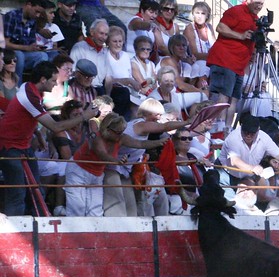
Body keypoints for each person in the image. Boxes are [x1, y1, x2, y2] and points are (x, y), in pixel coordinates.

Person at [0, 61, 98, 216]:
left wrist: (37, 134)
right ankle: (17, 231)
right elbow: (55, 127)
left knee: (35, 188)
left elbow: (23, 116)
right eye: (53, 80)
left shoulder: (29, 88)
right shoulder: (30, 97)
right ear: (43, 80)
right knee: (17, 193)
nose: (55, 84)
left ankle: (38, 223)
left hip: (22, 145)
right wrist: (84, 116)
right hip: (10, 147)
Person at [65, 112, 168, 217]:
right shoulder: (97, 137)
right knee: (77, 208)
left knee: (95, 210)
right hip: (78, 172)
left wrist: (159, 142)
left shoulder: (120, 137)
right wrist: (117, 162)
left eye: (122, 131)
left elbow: (140, 144)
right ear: (108, 130)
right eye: (118, 132)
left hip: (97, 175)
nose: (121, 134)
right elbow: (102, 154)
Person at [103, 98, 188, 217]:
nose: (159, 117)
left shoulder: (140, 128)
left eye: (160, 114)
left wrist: (158, 143)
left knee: (131, 208)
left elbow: (141, 144)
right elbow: (165, 126)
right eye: (156, 114)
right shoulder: (142, 125)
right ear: (146, 113)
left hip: (127, 170)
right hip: (111, 167)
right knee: (118, 204)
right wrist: (186, 122)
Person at [206, 0, 265, 130]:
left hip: (239, 65)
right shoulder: (236, 11)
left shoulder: (255, 18)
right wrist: (240, 35)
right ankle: (219, 128)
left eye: (261, 3)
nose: (259, 6)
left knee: (234, 99)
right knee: (223, 96)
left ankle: (227, 129)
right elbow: (220, 27)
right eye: (257, 2)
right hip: (225, 59)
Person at [217, 114, 279, 200]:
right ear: (241, 127)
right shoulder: (233, 138)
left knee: (247, 203)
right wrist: (252, 168)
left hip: (246, 177)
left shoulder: (264, 138)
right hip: (226, 175)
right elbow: (234, 161)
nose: (248, 135)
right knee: (230, 204)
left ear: (258, 130)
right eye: (245, 132)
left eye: (252, 133)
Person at [4, 0, 51, 84]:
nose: (37, 15)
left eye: (40, 13)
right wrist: (26, 48)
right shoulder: (11, 16)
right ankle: (17, 86)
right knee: (19, 55)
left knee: (43, 56)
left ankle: (36, 86)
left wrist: (35, 48)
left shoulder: (32, 21)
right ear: (28, 4)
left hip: (25, 53)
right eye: (36, 11)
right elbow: (5, 43)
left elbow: (31, 43)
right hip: (9, 52)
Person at [104, 26, 140, 119]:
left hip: (129, 92)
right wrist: (128, 81)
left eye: (120, 41)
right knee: (124, 94)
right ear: (108, 42)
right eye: (114, 41)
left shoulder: (125, 56)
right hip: (113, 91)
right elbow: (108, 80)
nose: (118, 44)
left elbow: (129, 76)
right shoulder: (104, 55)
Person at [70, 18, 109, 95]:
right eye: (101, 33)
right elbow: (73, 73)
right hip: (82, 89)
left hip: (99, 89)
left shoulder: (105, 52)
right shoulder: (79, 48)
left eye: (106, 34)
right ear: (92, 32)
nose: (103, 37)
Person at [183, 1, 216, 85]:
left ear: (207, 15)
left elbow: (215, 48)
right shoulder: (189, 28)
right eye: (197, 13)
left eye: (203, 13)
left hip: (210, 61)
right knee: (203, 66)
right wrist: (213, 57)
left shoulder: (209, 27)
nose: (200, 16)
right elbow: (194, 54)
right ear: (193, 14)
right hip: (195, 62)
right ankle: (202, 92)